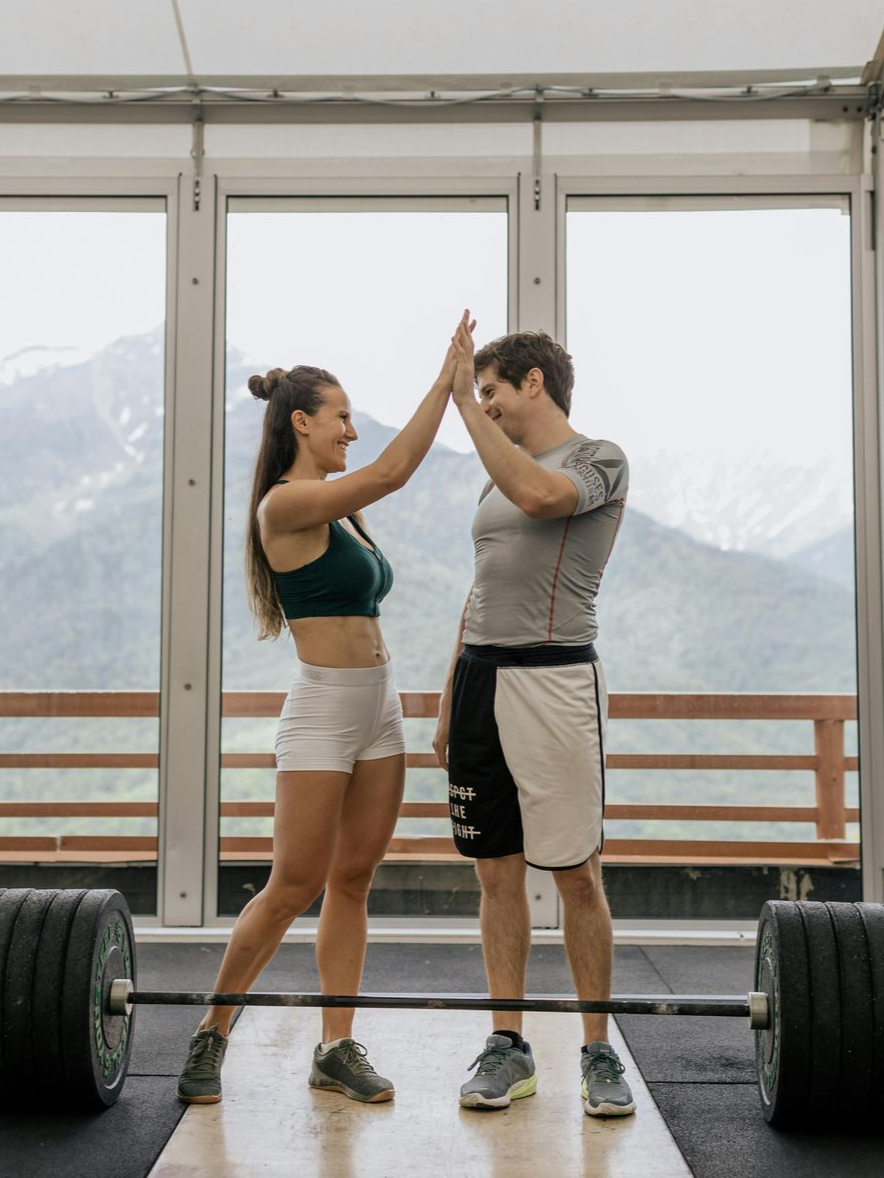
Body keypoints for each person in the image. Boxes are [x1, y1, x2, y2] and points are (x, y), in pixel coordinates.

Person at [176, 311, 474, 1107]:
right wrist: (446, 386)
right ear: (301, 422)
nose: (350, 428)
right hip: (321, 712)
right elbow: (388, 473)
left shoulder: (337, 510)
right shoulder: (283, 505)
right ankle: (211, 1033)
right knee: (291, 884)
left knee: (351, 881)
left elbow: (372, 489)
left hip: (378, 711)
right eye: (340, 415)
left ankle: (335, 1047)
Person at [433, 323, 635, 1118]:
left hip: (555, 680)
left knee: (577, 875)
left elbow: (542, 498)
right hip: (482, 679)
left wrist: (461, 409)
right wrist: (451, 693)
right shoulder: (494, 479)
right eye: (477, 392)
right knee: (494, 872)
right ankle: (507, 1046)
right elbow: (479, 588)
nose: (484, 407)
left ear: (534, 385)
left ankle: (597, 1051)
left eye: (492, 393)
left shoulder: (598, 458)